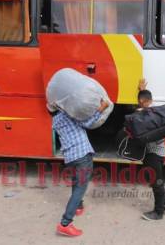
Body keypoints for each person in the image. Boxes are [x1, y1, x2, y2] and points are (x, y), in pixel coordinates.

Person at [53, 100, 109, 237]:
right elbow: (89, 123)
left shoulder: (55, 120)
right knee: (80, 187)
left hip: (71, 156)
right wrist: (101, 108)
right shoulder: (69, 115)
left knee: (76, 181)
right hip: (82, 154)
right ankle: (65, 223)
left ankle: (78, 206)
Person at [137, 79, 165, 221]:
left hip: (154, 153)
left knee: (156, 182)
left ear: (142, 101)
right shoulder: (155, 111)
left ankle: (158, 213)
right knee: (153, 179)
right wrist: (141, 90)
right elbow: (143, 99)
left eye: (139, 101)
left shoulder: (148, 115)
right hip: (158, 152)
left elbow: (152, 135)